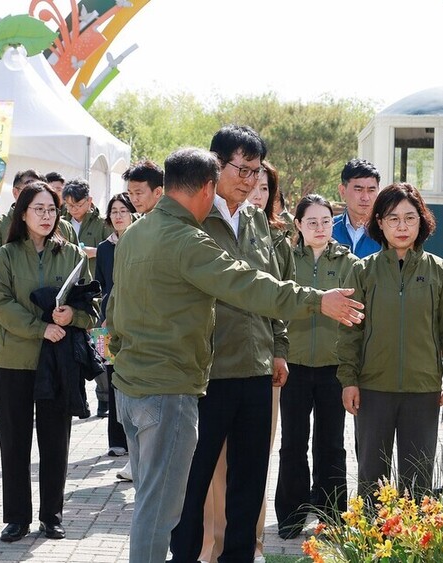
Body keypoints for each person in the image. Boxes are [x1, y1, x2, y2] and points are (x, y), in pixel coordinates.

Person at [107, 147, 363, 563]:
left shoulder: (136, 232)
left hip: (134, 387)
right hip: (170, 390)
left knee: (153, 502)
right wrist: (318, 301)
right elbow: (248, 284)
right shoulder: (187, 238)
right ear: (208, 186)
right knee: (163, 510)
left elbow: (115, 311)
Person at [171, 126, 294, 563]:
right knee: (194, 479)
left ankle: (239, 556)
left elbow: (275, 287)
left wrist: (278, 347)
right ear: (215, 164)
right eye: (238, 169)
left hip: (257, 370)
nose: (246, 179)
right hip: (208, 373)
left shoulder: (258, 220)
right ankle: (184, 555)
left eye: (254, 170)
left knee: (249, 480)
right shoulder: (195, 219)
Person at [337, 182, 443, 498]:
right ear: (379, 222)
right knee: (371, 477)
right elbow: (349, 332)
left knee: (417, 479)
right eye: (393, 218)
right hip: (372, 389)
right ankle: (372, 542)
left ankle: (411, 545)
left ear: (422, 220)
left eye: (410, 217)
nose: (402, 226)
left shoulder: (440, 271)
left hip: (422, 390)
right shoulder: (362, 271)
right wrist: (348, 380)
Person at [0, 181, 95, 542]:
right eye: (39, 209)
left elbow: (91, 306)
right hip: (15, 361)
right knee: (14, 440)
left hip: (58, 361)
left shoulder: (72, 255)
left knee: (55, 440)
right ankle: (17, 517)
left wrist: (71, 317)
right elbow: (0, 304)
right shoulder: (5, 256)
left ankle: (52, 515)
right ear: (23, 212)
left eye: (52, 209)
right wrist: (40, 327)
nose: (47, 216)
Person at [276, 194, 358, 539]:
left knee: (331, 443)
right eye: (311, 222)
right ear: (298, 225)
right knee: (293, 442)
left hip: (333, 368)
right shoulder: (285, 259)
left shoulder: (349, 262)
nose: (320, 228)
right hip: (293, 365)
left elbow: (356, 314)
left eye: (326, 221)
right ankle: (291, 517)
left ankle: (333, 516)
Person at [93, 193, 137, 479]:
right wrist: (99, 319)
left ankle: (133, 440)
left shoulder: (139, 241)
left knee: (129, 380)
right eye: (114, 211)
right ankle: (116, 441)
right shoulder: (103, 248)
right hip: (104, 325)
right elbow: (99, 287)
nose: (119, 215)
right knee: (109, 380)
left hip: (131, 322)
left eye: (123, 210)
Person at [63, 178, 112, 417]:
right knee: (78, 349)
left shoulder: (102, 223)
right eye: (70, 205)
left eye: (79, 204)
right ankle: (78, 399)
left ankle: (104, 398)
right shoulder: (61, 223)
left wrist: (95, 252)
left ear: (89, 201)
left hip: (96, 292)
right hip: (72, 293)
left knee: (101, 347)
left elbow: (111, 249)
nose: (74, 209)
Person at [0, 169, 77, 247]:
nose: (36, 196)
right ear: (15, 192)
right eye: (28, 191)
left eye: (40, 191)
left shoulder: (64, 227)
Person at [332, 158, 382, 258]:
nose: (365, 197)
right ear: (342, 191)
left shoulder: (387, 231)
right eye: (358, 190)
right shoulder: (327, 230)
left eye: (371, 190)